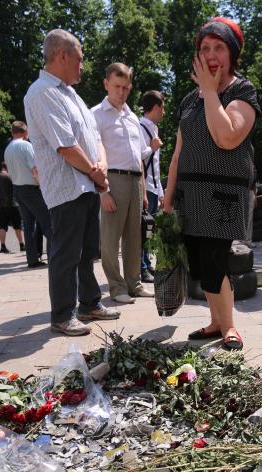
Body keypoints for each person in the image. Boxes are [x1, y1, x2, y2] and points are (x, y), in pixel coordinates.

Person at [164, 16, 260, 351]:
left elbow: (227, 136)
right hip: (189, 195)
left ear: (232, 54)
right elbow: (178, 153)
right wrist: (167, 196)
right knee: (199, 262)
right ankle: (216, 322)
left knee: (215, 260)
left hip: (223, 195)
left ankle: (229, 326)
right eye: (205, 48)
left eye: (219, 47)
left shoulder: (242, 91)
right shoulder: (189, 100)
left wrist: (209, 90)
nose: (211, 54)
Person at [24, 28, 120, 336]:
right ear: (62, 55)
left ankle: (89, 303)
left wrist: (101, 165)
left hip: (87, 184)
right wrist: (96, 172)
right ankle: (62, 315)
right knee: (66, 252)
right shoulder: (42, 92)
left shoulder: (70, 93)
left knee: (87, 249)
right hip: (67, 188)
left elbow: (93, 137)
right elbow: (65, 146)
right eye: (79, 58)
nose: (82, 65)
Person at [92, 64, 160, 303]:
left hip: (134, 180)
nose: (121, 92)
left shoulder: (132, 116)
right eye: (116, 86)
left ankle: (134, 282)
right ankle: (116, 287)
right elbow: (93, 156)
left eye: (125, 87)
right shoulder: (96, 115)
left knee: (134, 236)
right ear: (106, 84)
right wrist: (103, 191)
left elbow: (138, 156)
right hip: (112, 179)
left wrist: (142, 189)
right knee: (111, 238)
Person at [4, 121, 52, 267]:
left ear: (13, 133)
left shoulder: (8, 149)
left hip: (18, 189)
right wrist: (44, 184)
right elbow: (35, 169)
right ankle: (55, 256)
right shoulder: (26, 145)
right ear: (26, 132)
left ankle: (32, 260)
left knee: (29, 226)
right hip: (32, 189)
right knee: (48, 223)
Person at [139, 90, 165, 282]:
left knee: (149, 230)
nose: (164, 111)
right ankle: (142, 268)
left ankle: (147, 265)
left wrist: (161, 191)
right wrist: (152, 148)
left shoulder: (154, 129)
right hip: (144, 187)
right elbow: (137, 157)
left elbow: (155, 165)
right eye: (163, 107)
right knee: (142, 231)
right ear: (156, 107)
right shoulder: (140, 127)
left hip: (154, 188)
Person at [0, 162, 25, 253]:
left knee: (2, 225)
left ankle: (3, 246)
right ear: (8, 167)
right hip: (13, 204)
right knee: (17, 225)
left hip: (1, 205)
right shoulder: (11, 176)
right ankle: (21, 245)